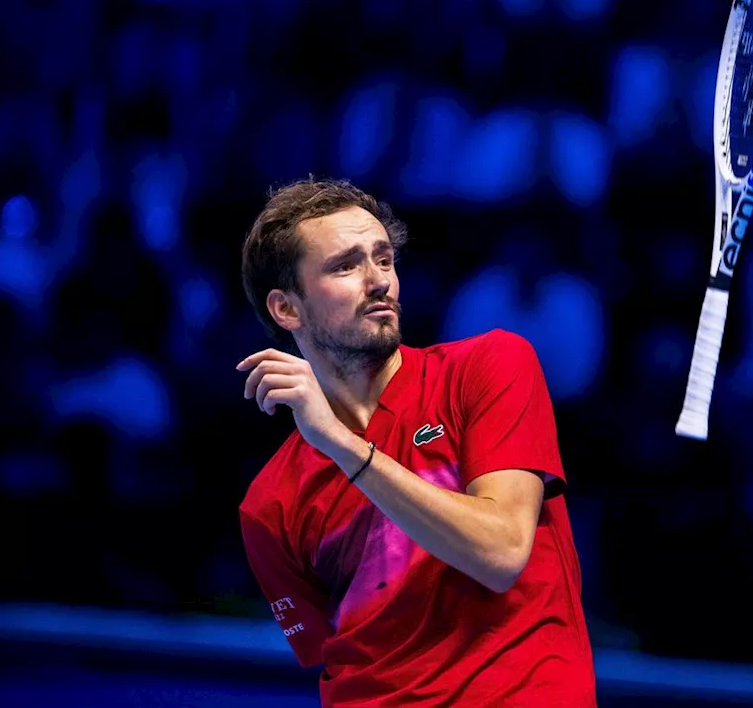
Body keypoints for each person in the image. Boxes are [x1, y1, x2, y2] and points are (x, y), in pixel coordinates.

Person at [235, 177, 597, 706]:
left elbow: (501, 551)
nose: (379, 281)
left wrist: (337, 441)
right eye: (346, 266)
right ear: (287, 309)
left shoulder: (490, 368)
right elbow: (333, 654)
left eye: (383, 259)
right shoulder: (269, 505)